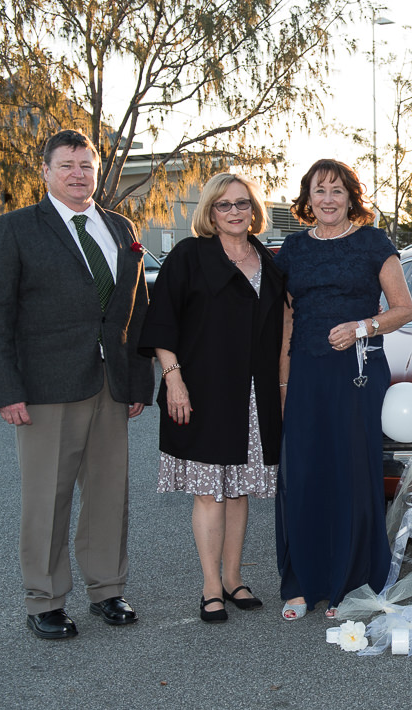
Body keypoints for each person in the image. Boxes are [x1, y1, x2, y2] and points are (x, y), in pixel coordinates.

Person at [0, 129, 154, 640]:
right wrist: (7, 390)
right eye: (67, 165)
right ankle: (45, 599)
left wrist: (137, 381)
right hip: (45, 387)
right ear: (46, 171)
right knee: (47, 497)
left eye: (86, 165)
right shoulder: (16, 229)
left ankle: (107, 590)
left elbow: (135, 310)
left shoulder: (120, 227)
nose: (78, 174)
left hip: (110, 384)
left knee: (108, 494)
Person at [138, 173, 285, 623]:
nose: (235, 211)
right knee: (209, 492)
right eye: (224, 205)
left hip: (254, 394)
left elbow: (282, 329)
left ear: (254, 209)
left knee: (237, 491)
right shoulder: (189, 256)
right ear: (210, 211)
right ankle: (209, 587)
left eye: (242, 203)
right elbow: (162, 321)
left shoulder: (268, 261)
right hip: (201, 389)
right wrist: (173, 379)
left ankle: (234, 578)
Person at [274, 159, 412, 621]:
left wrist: (363, 326)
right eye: (320, 190)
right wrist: (282, 380)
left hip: (358, 372)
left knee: (352, 474)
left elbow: (403, 309)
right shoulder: (292, 249)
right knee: (305, 472)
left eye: (337, 190)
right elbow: (286, 319)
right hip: (308, 374)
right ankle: (302, 582)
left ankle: (350, 584)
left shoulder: (373, 243)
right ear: (307, 198)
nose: (328, 199)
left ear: (351, 197)